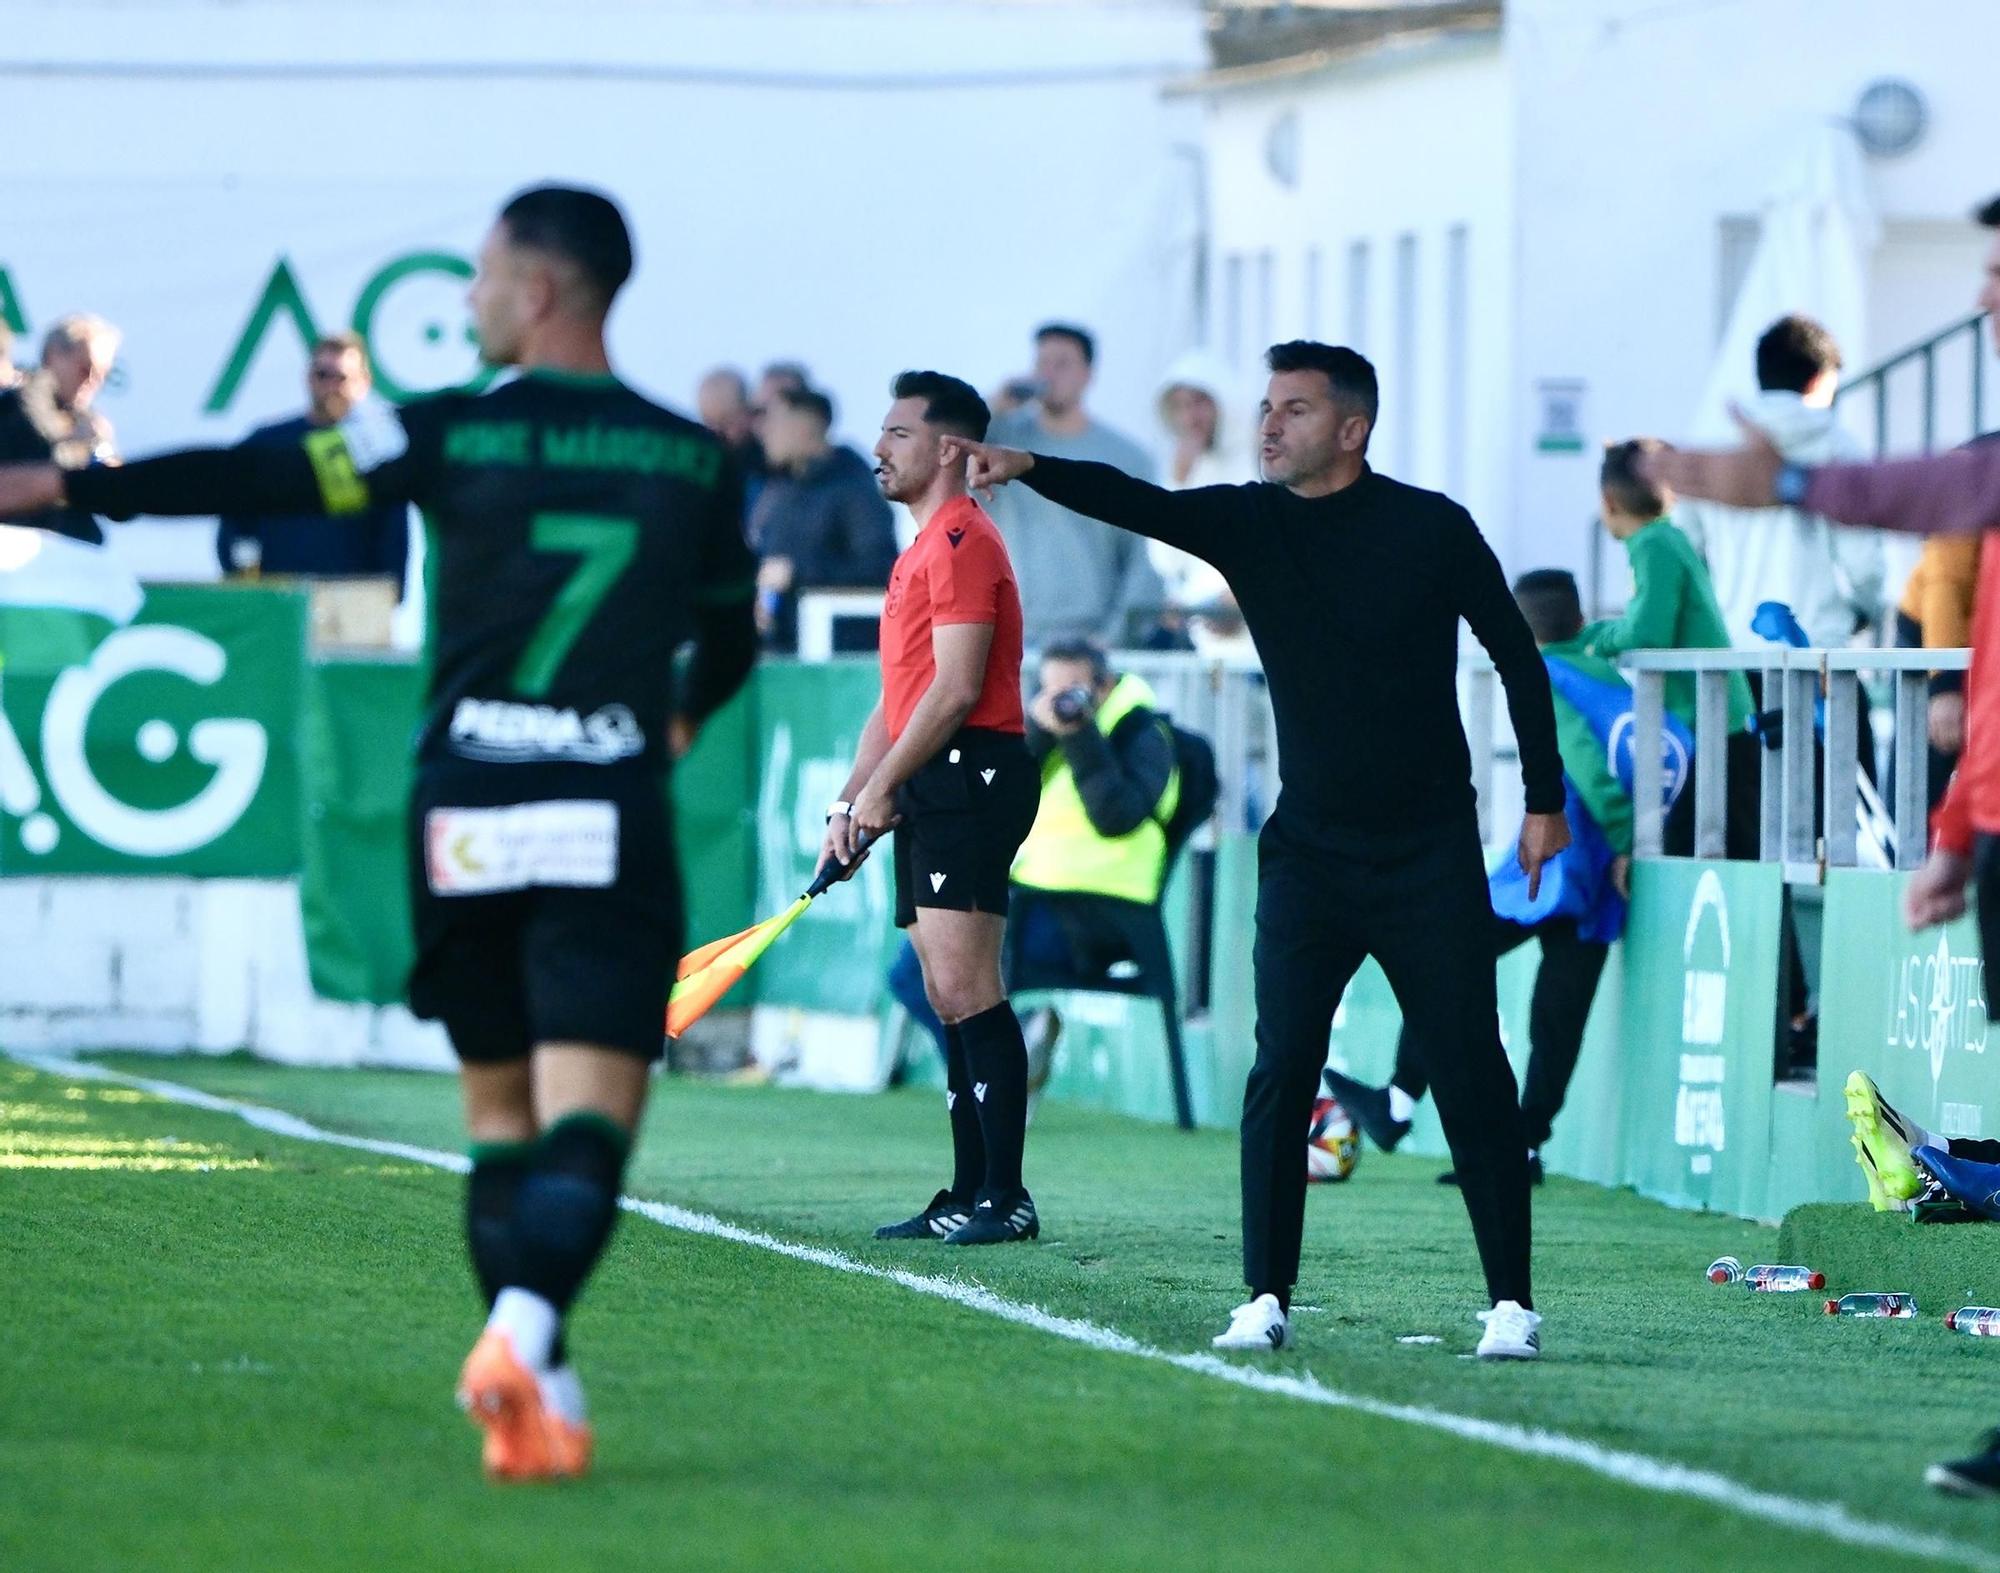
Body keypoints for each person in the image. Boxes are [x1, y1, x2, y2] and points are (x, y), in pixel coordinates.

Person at [0, 185, 758, 1482]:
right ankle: (524, 1337)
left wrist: (71, 480)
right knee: (592, 1127)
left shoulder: (443, 431)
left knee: (499, 1119)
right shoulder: (695, 458)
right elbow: (734, 635)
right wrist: (678, 718)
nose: (465, 301)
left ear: (535, 290)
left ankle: (537, 1387)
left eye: (478, 277)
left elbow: (262, 470)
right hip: (603, 813)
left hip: (464, 812)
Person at [952, 340, 1568, 1359]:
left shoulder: (1430, 527)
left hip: (1426, 853)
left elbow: (1514, 655)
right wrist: (1031, 464)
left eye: (1291, 408)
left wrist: (1540, 801)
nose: (1267, 423)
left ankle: (1510, 1301)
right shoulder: (1247, 518)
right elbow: (1137, 499)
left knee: (1469, 1067)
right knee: (1281, 1064)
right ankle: (1264, 1294)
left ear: (1349, 428)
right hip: (1307, 855)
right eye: (1266, 406)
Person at [1643, 187, 2000, 1498]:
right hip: (1880, 718)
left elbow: (1937, 490)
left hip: (1788, 673)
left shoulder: (1928, 463)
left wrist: (1787, 479)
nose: (1981, 297)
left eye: (1998, 272)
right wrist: (1963, 820)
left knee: (1787, 857)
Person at [1328, 570, 1650, 1186]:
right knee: (1559, 1015)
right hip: (1603, 874)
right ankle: (1522, 1148)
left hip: (1559, 862)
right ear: (1579, 620)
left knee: (1442, 957)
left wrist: (1624, 838)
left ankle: (1397, 1104)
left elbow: (1576, 763)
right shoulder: (1610, 677)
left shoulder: (1544, 677)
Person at [820, 370, 1041, 1246]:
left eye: (898, 433)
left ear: (949, 448)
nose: (879, 449)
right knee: (945, 996)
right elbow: (897, 699)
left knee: (964, 986)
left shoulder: (959, 542)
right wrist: (852, 797)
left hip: (971, 773)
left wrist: (882, 791)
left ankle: (1007, 1195)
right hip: (933, 774)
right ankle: (965, 1189)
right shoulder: (919, 549)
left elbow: (952, 693)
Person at [884, 638, 1181, 1077]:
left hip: (1102, 916)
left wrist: (1081, 736)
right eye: (1051, 692)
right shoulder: (1050, 734)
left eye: (1073, 691)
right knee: (911, 973)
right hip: (1030, 897)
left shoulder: (1142, 734)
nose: (1063, 703)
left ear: (1105, 686)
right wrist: (1037, 734)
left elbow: (1115, 817)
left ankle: (997, 1075)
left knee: (954, 967)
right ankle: (1002, 1066)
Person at [1582, 438, 1758, 856]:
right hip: (1715, 722)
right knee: (1725, 846)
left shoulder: (1652, 544)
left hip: (1715, 725)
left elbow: (1648, 632)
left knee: (1698, 849)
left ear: (1608, 501)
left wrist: (1594, 639)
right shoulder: (1666, 537)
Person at [1676, 314, 1886, 652]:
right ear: (1820, 381)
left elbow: (1685, 550)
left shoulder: (1712, 446)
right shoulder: (1839, 447)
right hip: (1815, 648)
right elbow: (1863, 560)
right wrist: (1865, 609)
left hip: (1730, 650)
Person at [985, 323, 1166, 651]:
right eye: (1042, 363)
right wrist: (996, 403)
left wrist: (1111, 639)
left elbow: (1146, 559)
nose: (1049, 374)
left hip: (1092, 640)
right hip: (1014, 638)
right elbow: (948, 451)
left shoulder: (1126, 457)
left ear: (1088, 374)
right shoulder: (1003, 445)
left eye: (1063, 363)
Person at [215, 332, 408, 585]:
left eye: (341, 377)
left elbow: (393, 539)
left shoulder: (381, 452)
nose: (330, 386)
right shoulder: (267, 444)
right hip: (277, 602)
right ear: (308, 377)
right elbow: (235, 527)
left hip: (350, 606)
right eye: (322, 375)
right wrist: (247, 589)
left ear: (364, 382)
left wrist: (387, 597)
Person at [749, 384, 898, 651]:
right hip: (779, 651)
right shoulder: (779, 491)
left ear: (808, 425)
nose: (764, 432)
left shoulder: (853, 489)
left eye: (773, 421)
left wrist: (798, 572)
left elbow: (880, 569)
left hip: (836, 655)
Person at [1154, 351, 1256, 656]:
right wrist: (1178, 482)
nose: (1190, 417)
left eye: (1200, 402)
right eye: (1180, 406)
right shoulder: (1183, 468)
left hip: (1253, 632)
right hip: (1204, 639)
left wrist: (1242, 594)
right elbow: (1167, 562)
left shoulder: (1261, 459)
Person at [0, 313, 122, 544]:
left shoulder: (86, 418)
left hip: (68, 551)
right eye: (85, 369)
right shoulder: (18, 400)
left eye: (102, 376)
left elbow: (120, 505)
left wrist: (103, 455)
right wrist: (77, 444)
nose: (91, 382)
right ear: (53, 357)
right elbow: (37, 448)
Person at [695, 365, 767, 519]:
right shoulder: (700, 466)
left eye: (726, 421)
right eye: (709, 422)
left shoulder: (770, 470)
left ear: (749, 413)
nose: (717, 432)